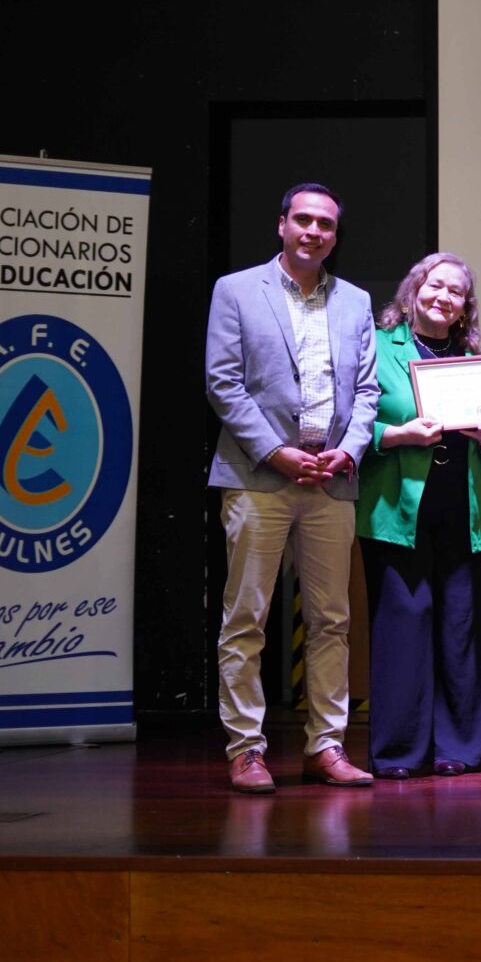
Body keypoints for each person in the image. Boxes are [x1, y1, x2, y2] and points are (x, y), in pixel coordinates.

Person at [205, 181, 378, 793]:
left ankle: (326, 746)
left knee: (332, 621)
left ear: (335, 234)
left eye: (325, 224)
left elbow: (368, 392)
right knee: (246, 618)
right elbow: (223, 382)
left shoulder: (355, 301)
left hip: (330, 480)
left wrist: (349, 450)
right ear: (282, 225)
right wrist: (275, 453)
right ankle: (246, 749)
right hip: (259, 477)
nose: (314, 232)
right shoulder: (235, 290)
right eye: (303, 220)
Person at [356, 253, 481, 779]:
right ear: (413, 290)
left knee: (460, 630)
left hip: (464, 510)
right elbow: (351, 424)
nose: (444, 297)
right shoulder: (377, 347)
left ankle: (459, 748)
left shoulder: (476, 358)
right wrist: (397, 435)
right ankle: (399, 751)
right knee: (403, 627)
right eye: (435, 286)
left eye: (456, 292)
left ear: (466, 306)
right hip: (398, 509)